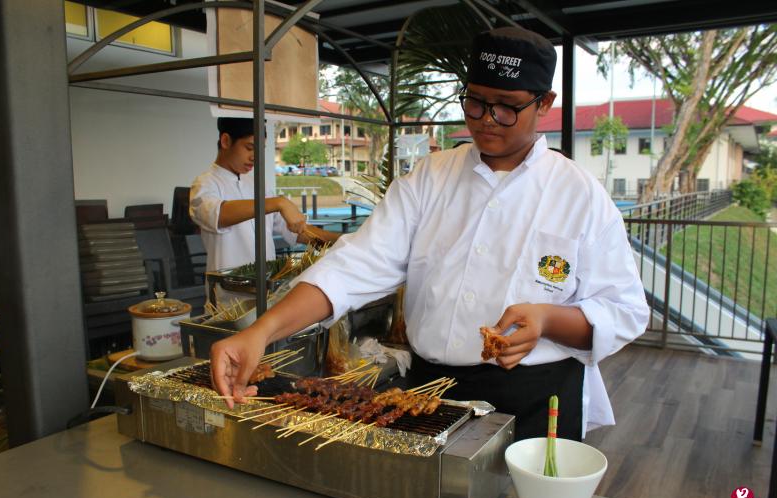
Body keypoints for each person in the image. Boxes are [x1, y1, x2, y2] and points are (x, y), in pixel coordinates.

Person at [209, 28, 649, 441]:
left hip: (535, 396)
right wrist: (261, 331)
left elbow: (624, 310)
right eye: (475, 102)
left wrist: (549, 319)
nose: (487, 120)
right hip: (431, 390)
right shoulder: (431, 178)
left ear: (544, 103)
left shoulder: (579, 195)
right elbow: (355, 264)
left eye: (506, 106)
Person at [190, 117, 338, 304]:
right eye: (250, 148)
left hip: (268, 294)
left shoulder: (257, 185)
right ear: (226, 141)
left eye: (260, 150)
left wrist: (342, 241)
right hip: (229, 301)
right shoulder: (205, 184)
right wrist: (279, 203)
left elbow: (298, 233)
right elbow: (218, 215)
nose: (255, 157)